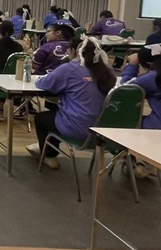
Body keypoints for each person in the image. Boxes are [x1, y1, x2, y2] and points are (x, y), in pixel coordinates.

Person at [28, 36, 115, 170]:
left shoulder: (70, 68)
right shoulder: (108, 72)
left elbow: (44, 83)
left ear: (74, 51)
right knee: (57, 114)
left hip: (78, 128)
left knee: (42, 118)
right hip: (103, 131)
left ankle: (50, 156)